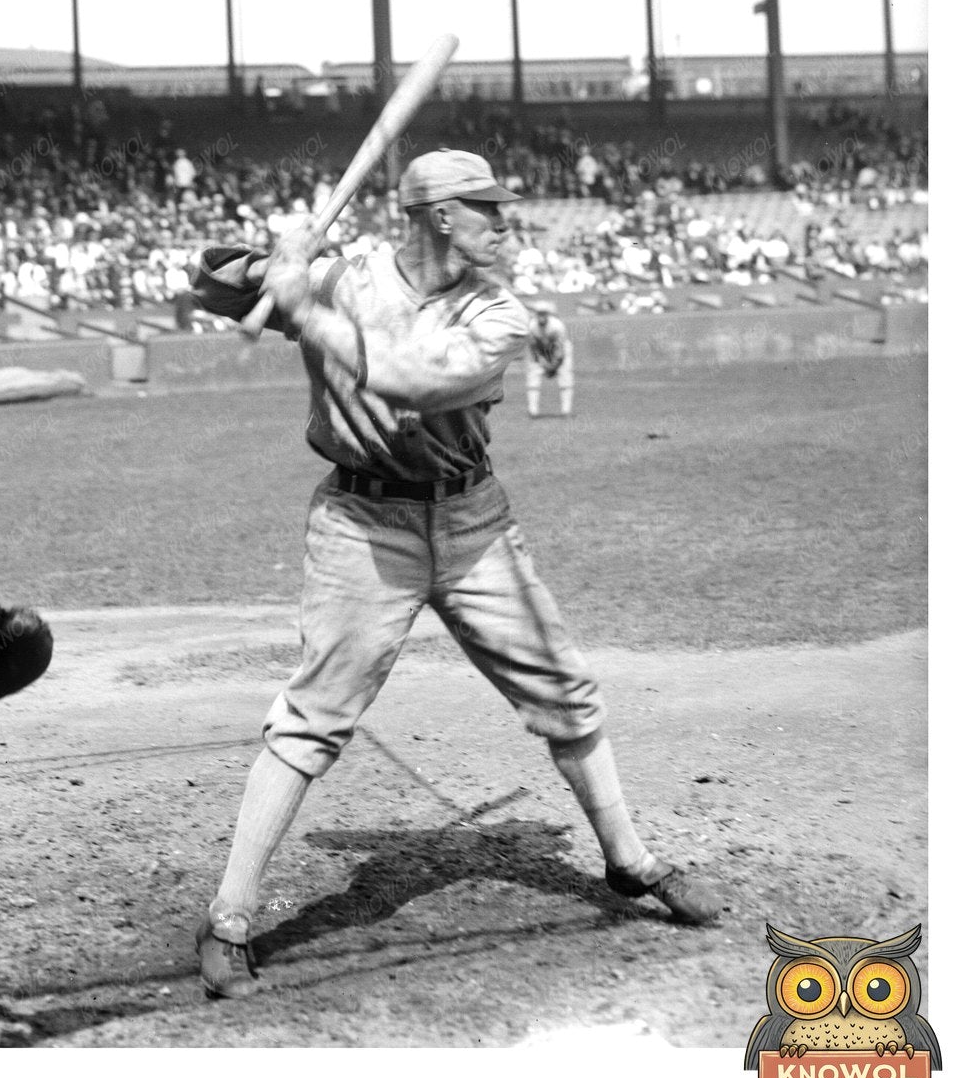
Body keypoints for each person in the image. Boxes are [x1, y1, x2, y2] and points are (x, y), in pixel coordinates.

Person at [188, 148, 721, 1000]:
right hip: (362, 525)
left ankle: (629, 861)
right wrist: (280, 257)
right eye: (490, 210)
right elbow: (209, 283)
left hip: (473, 522)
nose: (506, 225)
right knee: (311, 720)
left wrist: (305, 309)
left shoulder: (499, 312)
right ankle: (229, 918)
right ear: (440, 214)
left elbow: (417, 378)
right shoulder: (344, 274)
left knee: (565, 691)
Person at [525, 300, 575, 417]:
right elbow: (533, 348)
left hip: (560, 353)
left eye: (544, 313)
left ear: (548, 314)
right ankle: (533, 411)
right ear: (535, 314)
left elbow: (560, 349)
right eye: (539, 313)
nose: (541, 316)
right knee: (533, 375)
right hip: (541, 352)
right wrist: (543, 363)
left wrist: (554, 365)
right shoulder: (531, 326)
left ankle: (566, 411)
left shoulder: (557, 326)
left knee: (565, 377)